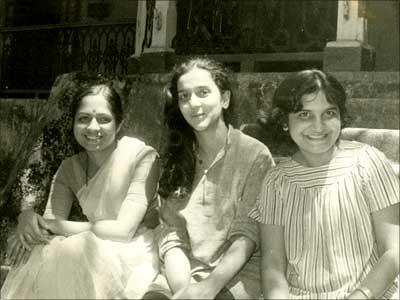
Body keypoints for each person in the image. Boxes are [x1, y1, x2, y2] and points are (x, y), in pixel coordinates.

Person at [1, 76, 160, 299]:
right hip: (91, 250)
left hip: (132, 254)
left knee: (75, 249)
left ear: (119, 123)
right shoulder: (68, 168)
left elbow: (124, 231)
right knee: (44, 251)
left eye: (104, 119)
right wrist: (27, 218)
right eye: (83, 118)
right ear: (74, 122)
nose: (92, 127)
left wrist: (49, 224)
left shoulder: (141, 156)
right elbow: (50, 229)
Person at [249, 69, 399, 299]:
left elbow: (393, 252)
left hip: (370, 293)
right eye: (304, 115)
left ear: (341, 116)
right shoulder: (277, 181)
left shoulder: (368, 162)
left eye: (329, 113)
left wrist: (361, 295)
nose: (318, 127)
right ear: (284, 122)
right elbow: (273, 262)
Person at [144, 58, 275, 300]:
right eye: (184, 96)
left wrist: (207, 288)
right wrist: (185, 291)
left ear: (224, 99)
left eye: (203, 92)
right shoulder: (174, 158)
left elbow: (246, 236)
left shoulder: (255, 155)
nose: (193, 103)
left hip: (237, 278)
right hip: (181, 275)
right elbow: (172, 237)